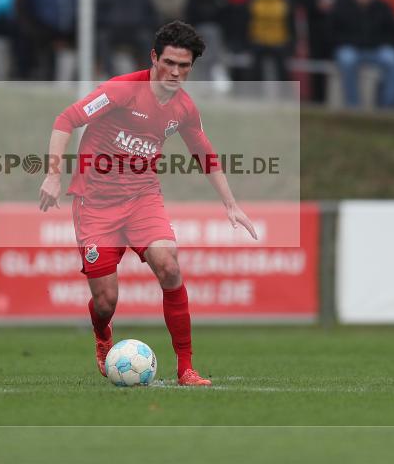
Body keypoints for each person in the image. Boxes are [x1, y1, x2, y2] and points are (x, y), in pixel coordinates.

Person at [38, 21, 258, 386]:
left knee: (169, 267)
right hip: (96, 204)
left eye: (184, 66)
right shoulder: (122, 90)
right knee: (106, 301)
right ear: (154, 58)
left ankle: (186, 367)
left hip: (143, 199)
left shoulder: (184, 108)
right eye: (169, 63)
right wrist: (53, 174)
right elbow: (67, 119)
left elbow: (204, 152)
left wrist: (231, 204)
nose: (175, 72)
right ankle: (102, 333)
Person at [290, 0, 355, 103]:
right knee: (316, 66)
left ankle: (340, 102)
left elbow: (350, 0)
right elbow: (297, 1)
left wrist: (337, 8)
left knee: (338, 65)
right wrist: (315, 5)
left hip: (339, 30)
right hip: (315, 28)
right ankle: (317, 101)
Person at [330, 0, 394, 108]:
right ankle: (353, 106)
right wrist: (351, 42)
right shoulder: (342, 7)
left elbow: (393, 32)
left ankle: (389, 107)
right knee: (346, 59)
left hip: (376, 49)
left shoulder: (383, 7)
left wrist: (379, 42)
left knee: (392, 58)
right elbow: (333, 33)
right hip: (351, 49)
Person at [96, 0, 156, 77]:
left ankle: (147, 76)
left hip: (135, 32)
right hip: (114, 31)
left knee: (146, 38)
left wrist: (141, 23)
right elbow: (98, 16)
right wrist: (110, 22)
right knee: (102, 38)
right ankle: (111, 74)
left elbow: (152, 17)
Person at [246, 0, 291, 82]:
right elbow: (246, 22)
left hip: (279, 40)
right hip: (258, 40)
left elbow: (290, 22)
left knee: (283, 69)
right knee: (254, 68)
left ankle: (285, 95)